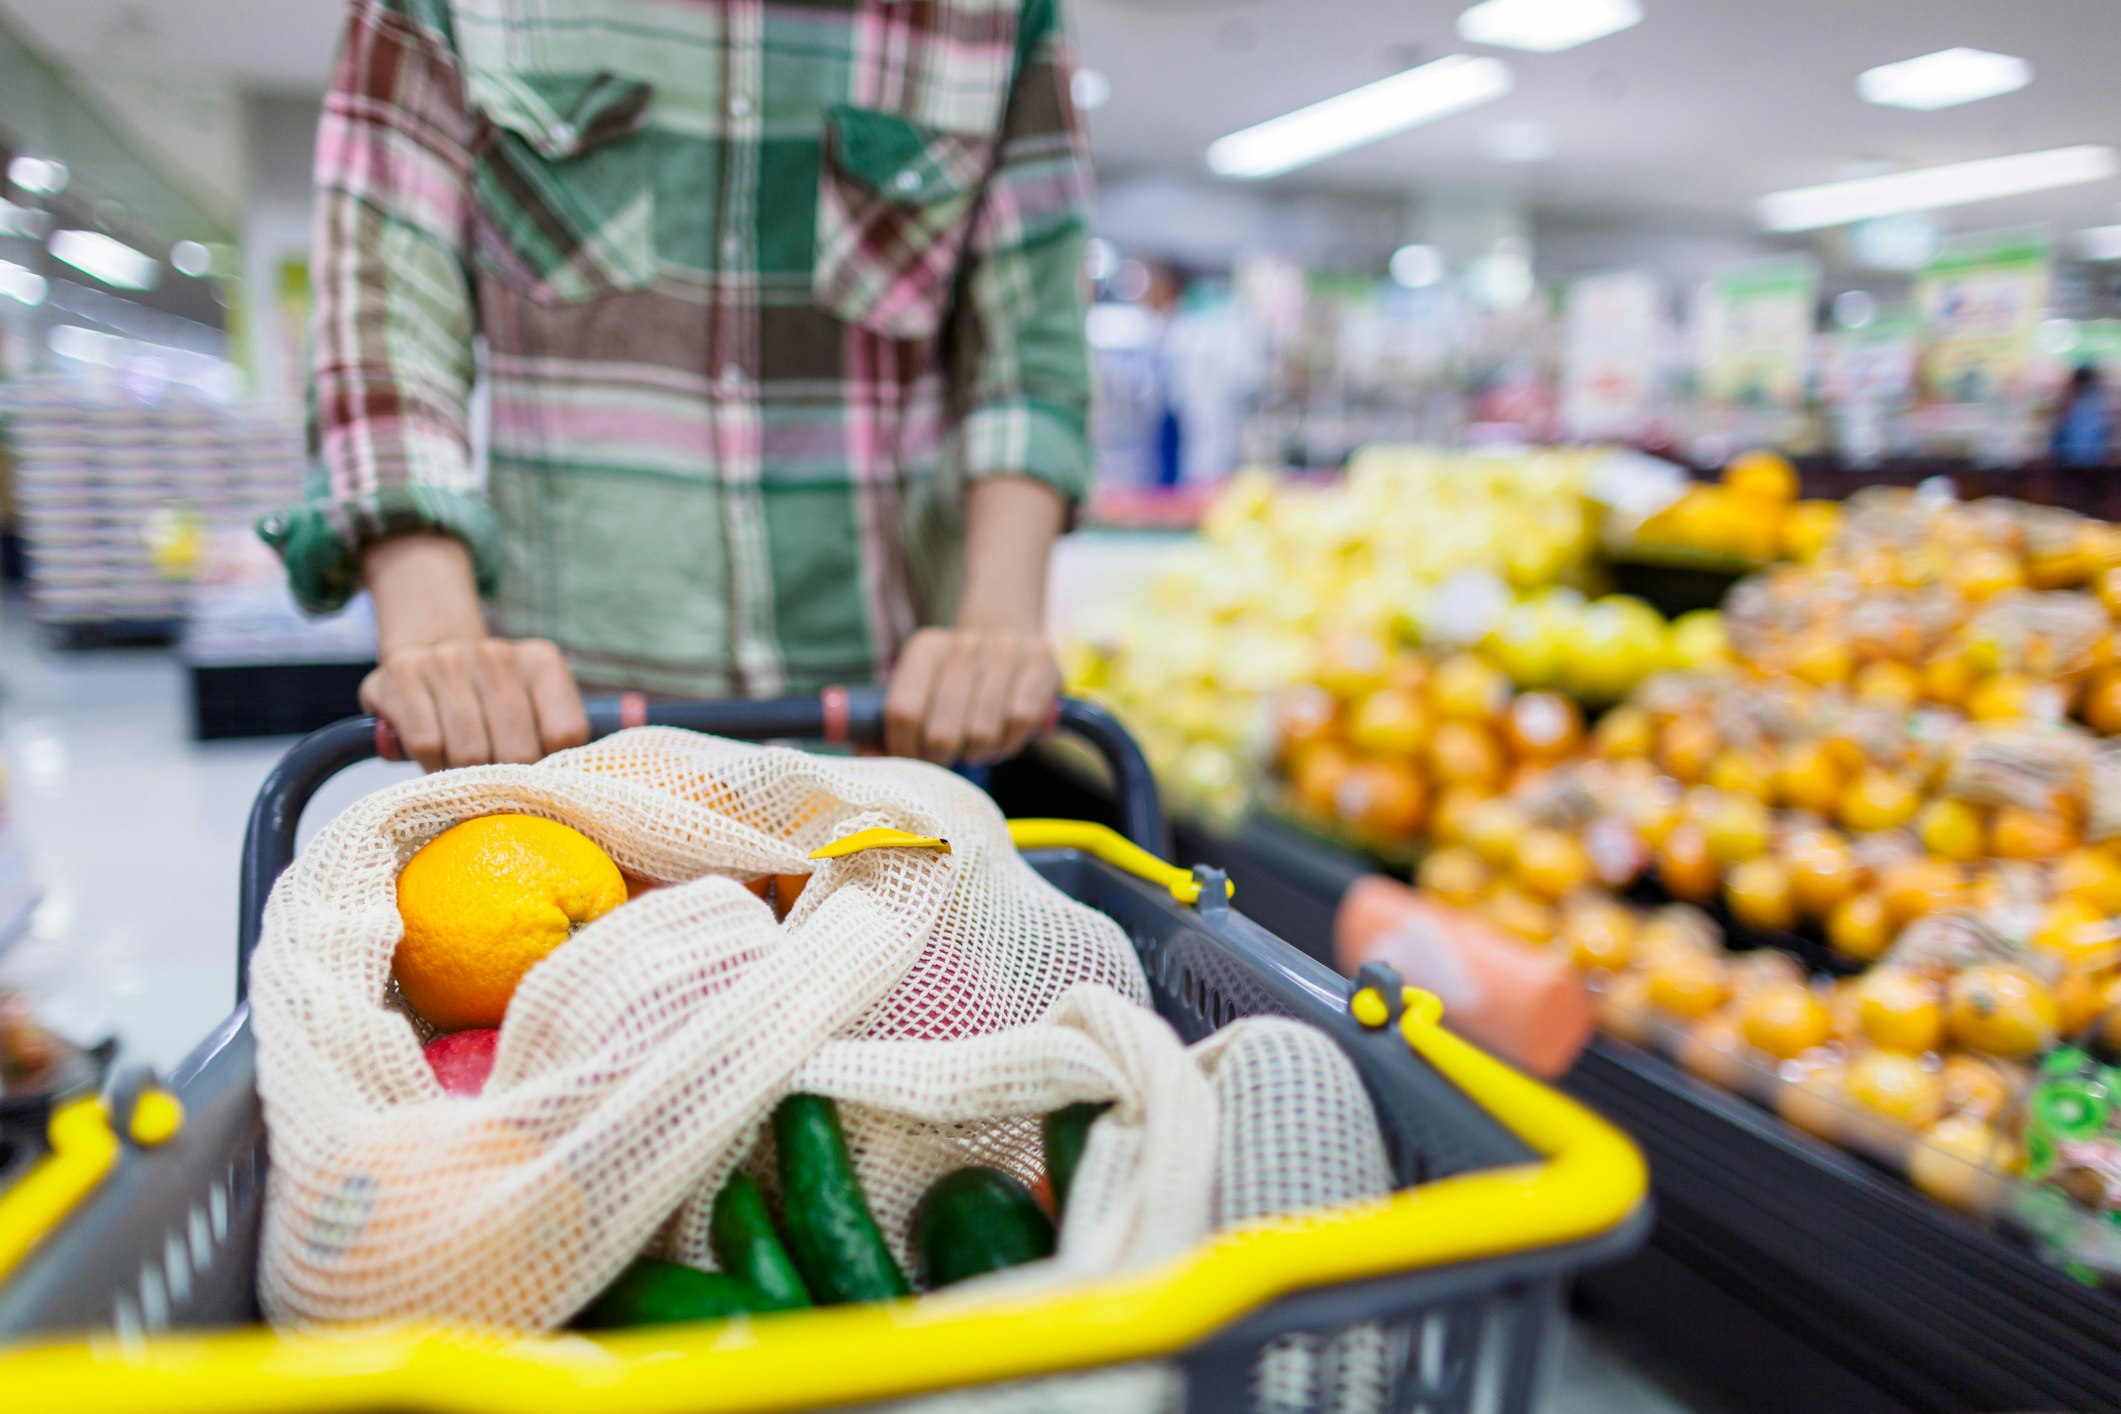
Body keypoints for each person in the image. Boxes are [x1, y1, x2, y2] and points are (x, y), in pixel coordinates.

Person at [263, 0, 1093, 771]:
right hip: (551, 754)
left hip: (879, 752)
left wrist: (998, 620)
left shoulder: (997, 17)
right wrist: (438, 639)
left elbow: (1029, 351)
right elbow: (386, 327)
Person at [2052, 365, 2113, 469]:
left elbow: (2059, 430)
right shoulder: (2099, 400)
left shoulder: (2071, 401)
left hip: (2072, 458)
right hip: (2096, 459)